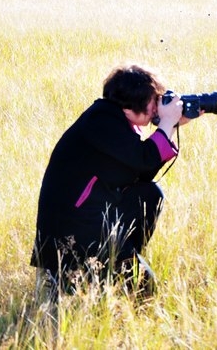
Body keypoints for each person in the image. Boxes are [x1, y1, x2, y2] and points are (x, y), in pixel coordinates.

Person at [30, 63, 193, 302]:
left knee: (148, 194)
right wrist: (166, 124)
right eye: (154, 99)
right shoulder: (102, 121)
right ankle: (67, 276)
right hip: (73, 232)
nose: (157, 106)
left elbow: (141, 172)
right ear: (136, 100)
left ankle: (119, 259)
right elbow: (142, 159)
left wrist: (170, 125)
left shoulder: (113, 121)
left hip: (91, 218)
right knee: (144, 290)